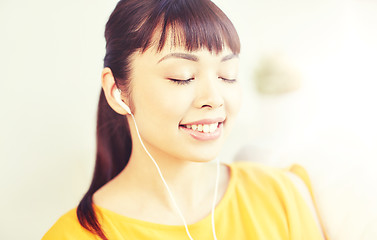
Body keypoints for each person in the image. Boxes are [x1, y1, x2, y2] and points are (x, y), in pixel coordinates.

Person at [42, 0, 329, 239]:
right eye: (183, 77)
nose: (214, 98)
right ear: (118, 92)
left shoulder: (281, 196)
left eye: (227, 75)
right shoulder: (74, 235)